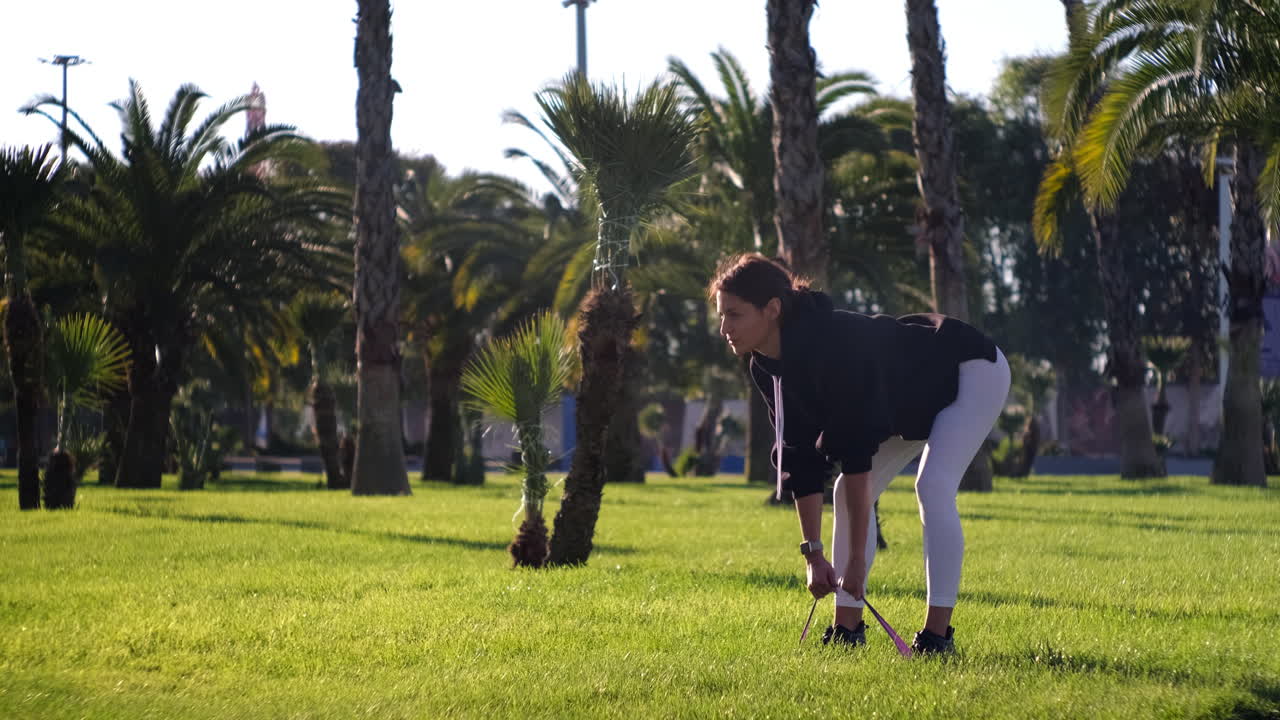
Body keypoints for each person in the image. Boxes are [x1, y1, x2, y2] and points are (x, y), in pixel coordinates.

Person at [709, 253, 1010, 654]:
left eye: (734, 314)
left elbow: (854, 451)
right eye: (720, 315)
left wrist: (853, 561)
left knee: (932, 487)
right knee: (842, 496)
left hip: (970, 370)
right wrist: (813, 555)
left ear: (772, 309)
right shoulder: (765, 366)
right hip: (905, 406)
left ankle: (937, 638)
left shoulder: (832, 345)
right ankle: (847, 630)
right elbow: (799, 456)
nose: (724, 328)